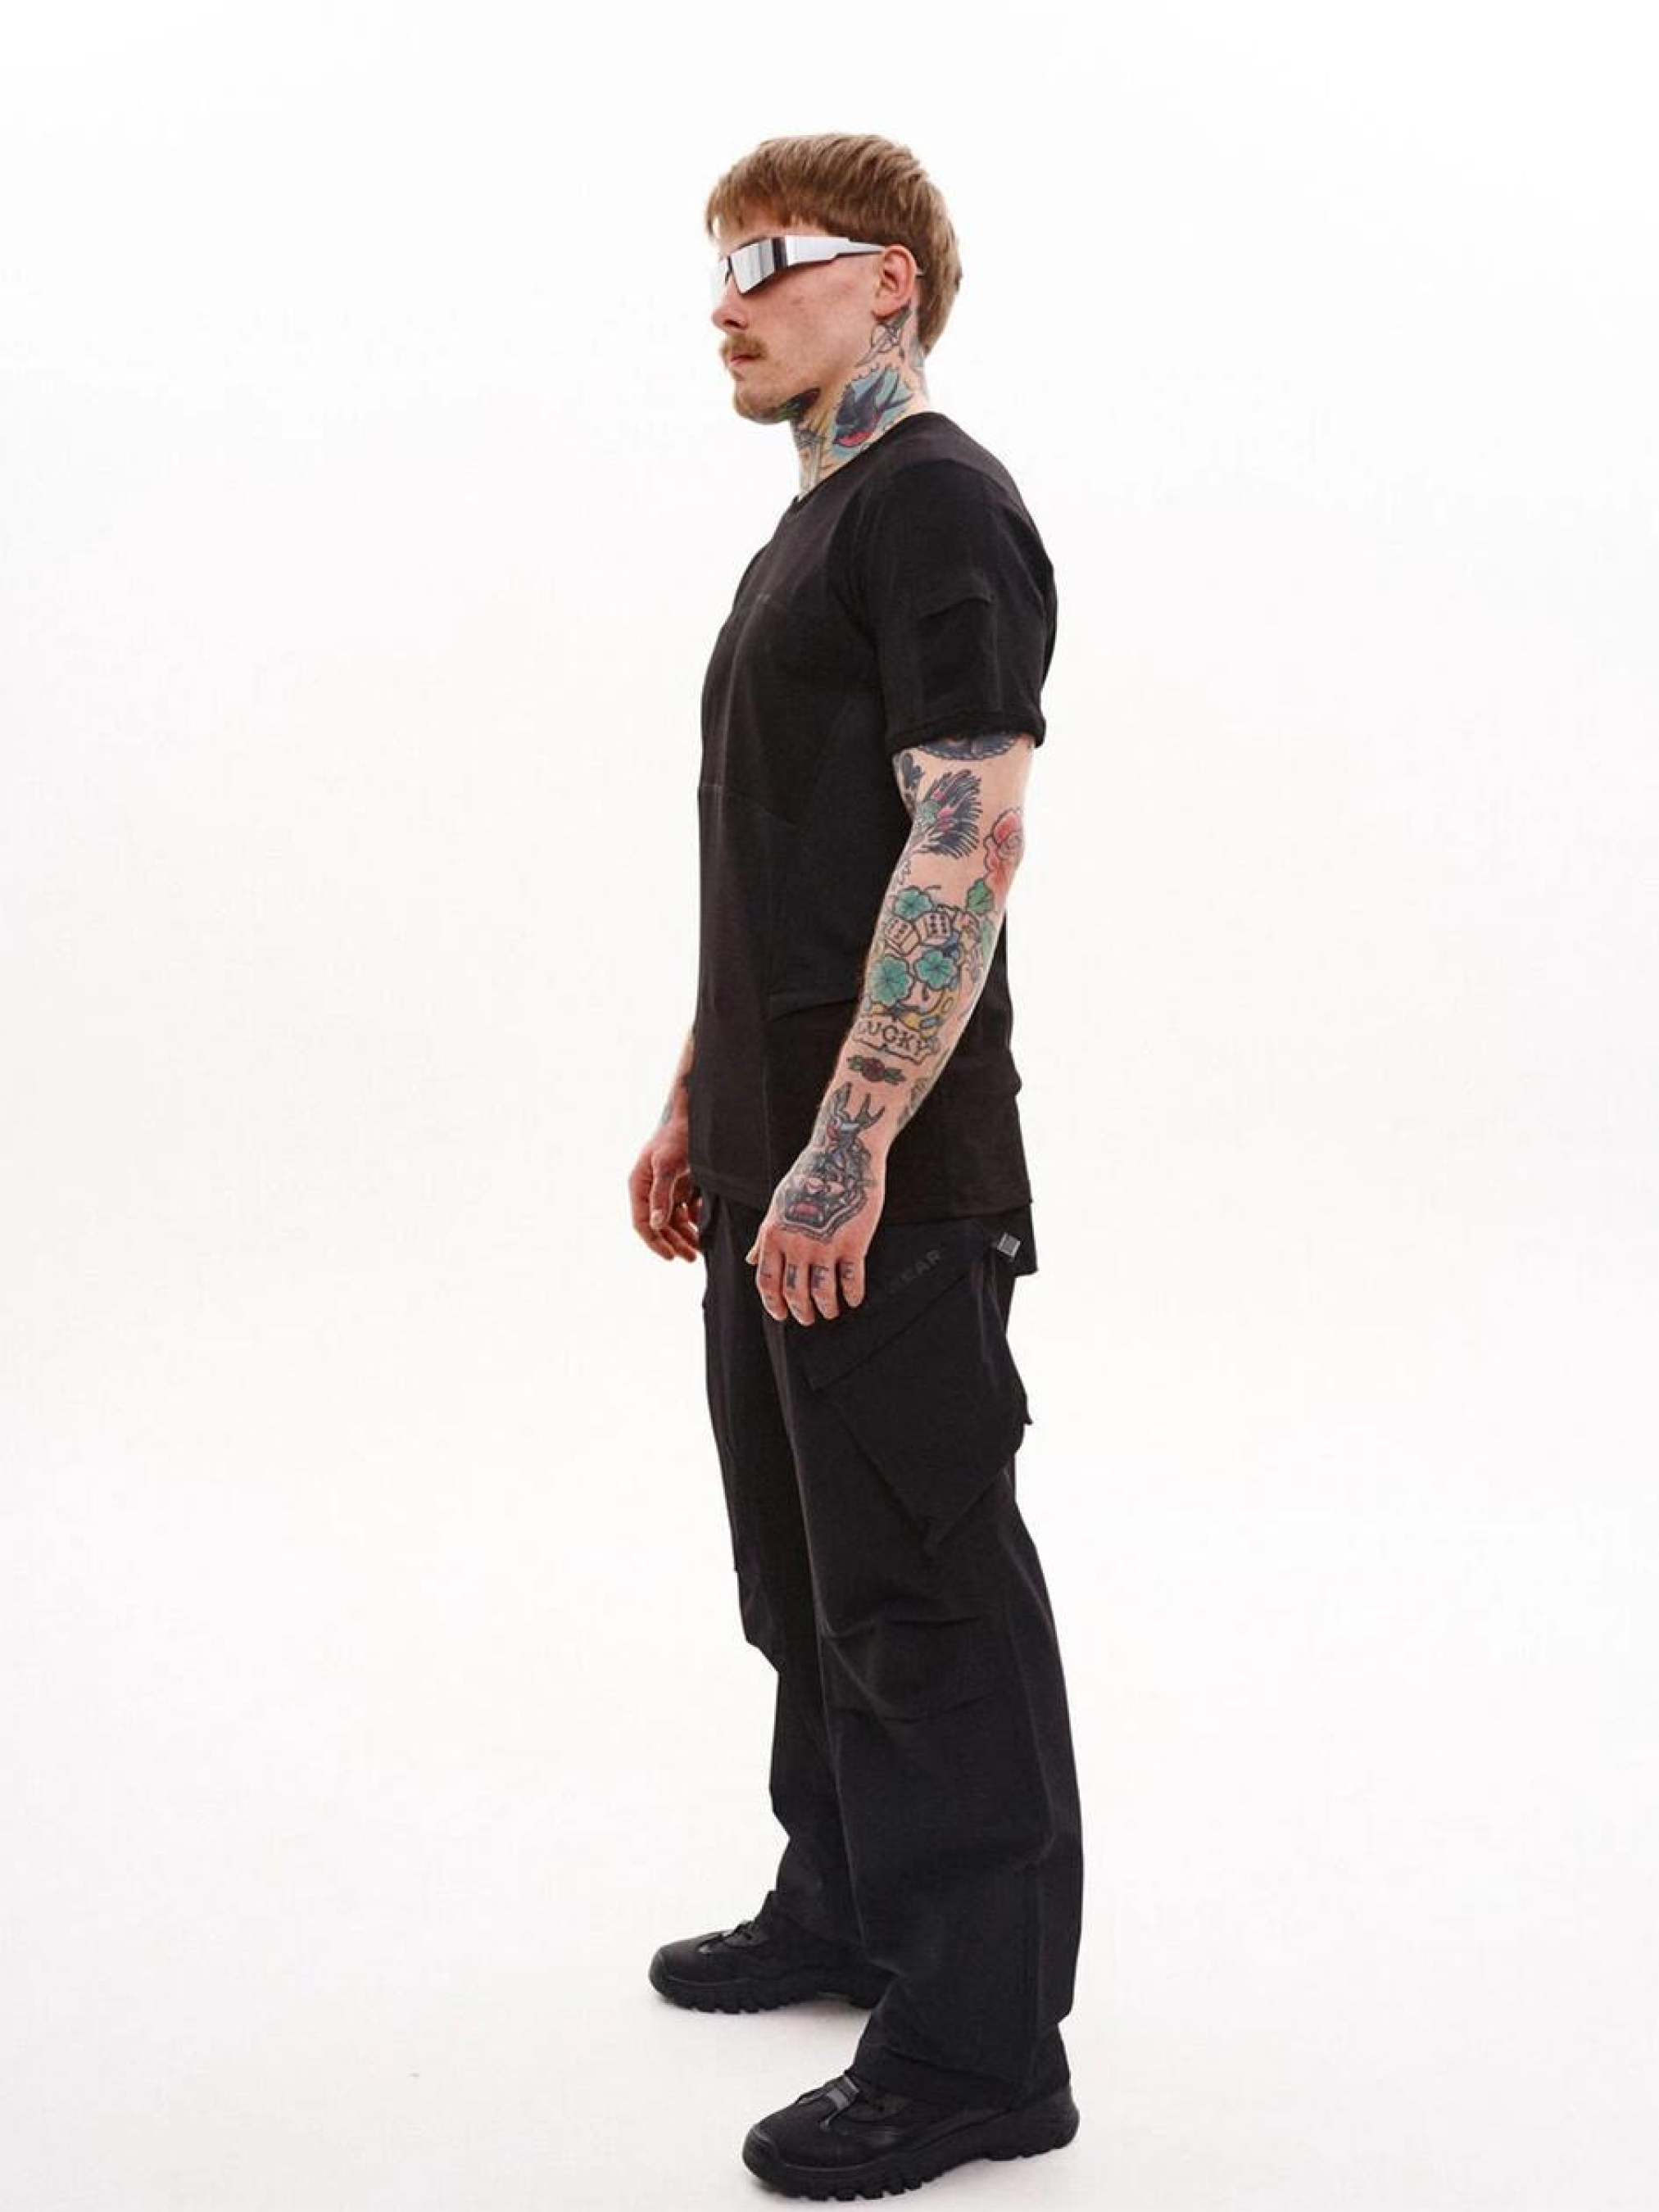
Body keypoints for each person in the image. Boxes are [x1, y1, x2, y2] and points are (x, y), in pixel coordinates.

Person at [626, 132, 1085, 2198]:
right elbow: (785, 866)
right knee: (801, 1577)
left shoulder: (933, 502)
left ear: (887, 277)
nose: (725, 304)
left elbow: (963, 834)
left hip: (882, 1173)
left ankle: (980, 2050)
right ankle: (841, 1905)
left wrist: (849, 1139)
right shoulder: (804, 531)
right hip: (772, 1150)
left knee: (919, 1589)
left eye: (769, 262)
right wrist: (699, 1099)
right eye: (716, 269)